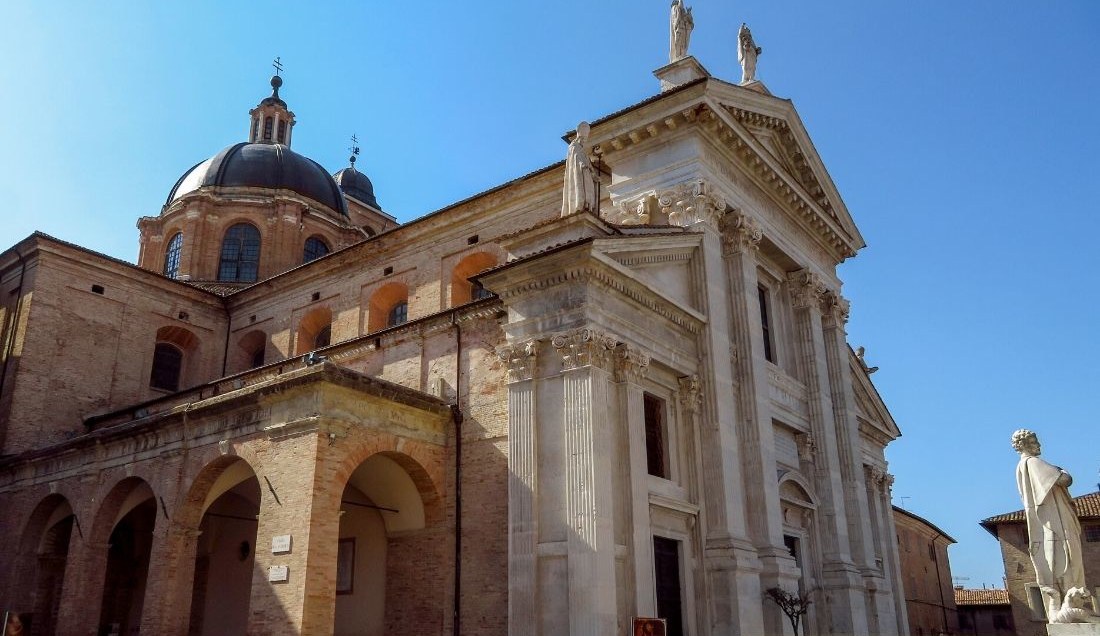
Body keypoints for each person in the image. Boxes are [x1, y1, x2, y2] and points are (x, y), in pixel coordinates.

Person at [1012, 429, 1086, 620]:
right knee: (1066, 559)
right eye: (1035, 441)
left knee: (1062, 558)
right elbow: (1065, 480)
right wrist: (1062, 471)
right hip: (1055, 521)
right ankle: (1071, 601)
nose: (1039, 444)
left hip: (1051, 519)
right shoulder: (1034, 463)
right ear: (1026, 444)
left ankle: (1067, 603)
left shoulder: (1022, 466)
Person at [561, 122, 598, 217]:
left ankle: (588, 206)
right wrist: (584, 165)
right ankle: (581, 204)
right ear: (579, 135)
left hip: (585, 172)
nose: (584, 141)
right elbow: (576, 159)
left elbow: (587, 162)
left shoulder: (582, 150)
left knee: (588, 187)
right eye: (583, 138)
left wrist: (593, 173)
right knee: (582, 187)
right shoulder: (573, 146)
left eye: (585, 139)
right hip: (580, 172)